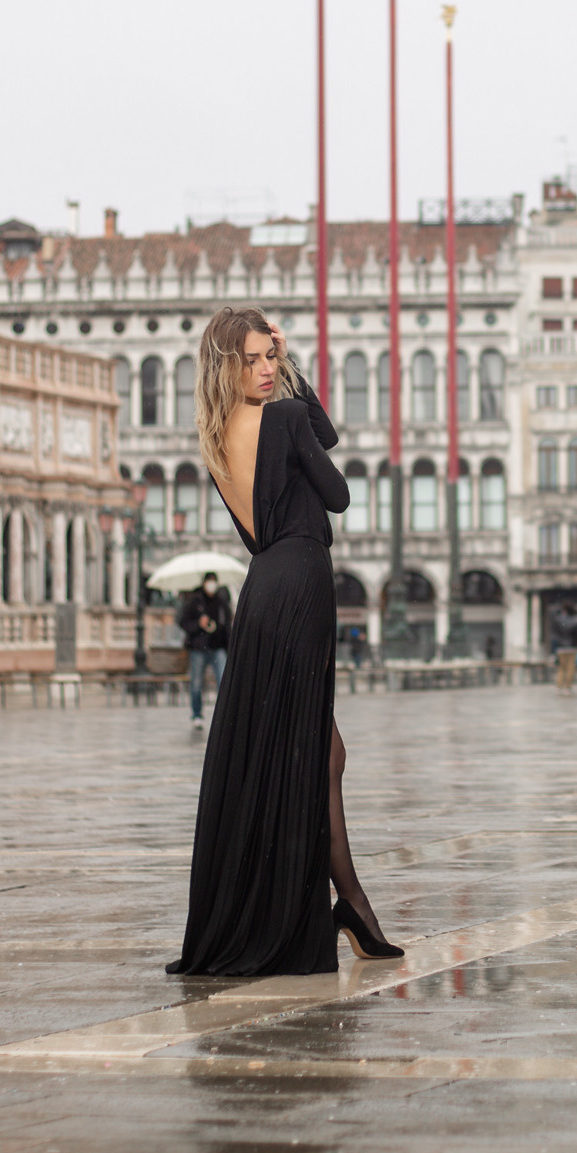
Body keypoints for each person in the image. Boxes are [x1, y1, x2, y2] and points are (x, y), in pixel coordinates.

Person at [168, 306, 401, 975]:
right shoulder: (287, 419)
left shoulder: (218, 439)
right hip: (301, 582)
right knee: (309, 753)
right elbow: (338, 493)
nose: (267, 368)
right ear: (227, 364)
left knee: (316, 751)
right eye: (255, 358)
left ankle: (347, 900)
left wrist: (286, 373)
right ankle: (346, 901)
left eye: (273, 356)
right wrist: (296, 393)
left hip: (263, 587)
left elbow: (256, 526)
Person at [177, 572, 232, 734]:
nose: (211, 585)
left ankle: (223, 715)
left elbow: (227, 625)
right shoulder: (195, 602)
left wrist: (229, 645)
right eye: (209, 582)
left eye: (214, 582)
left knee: (223, 682)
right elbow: (183, 622)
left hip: (218, 647)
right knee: (196, 683)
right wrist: (198, 624)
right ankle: (196, 714)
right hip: (199, 648)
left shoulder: (222, 603)